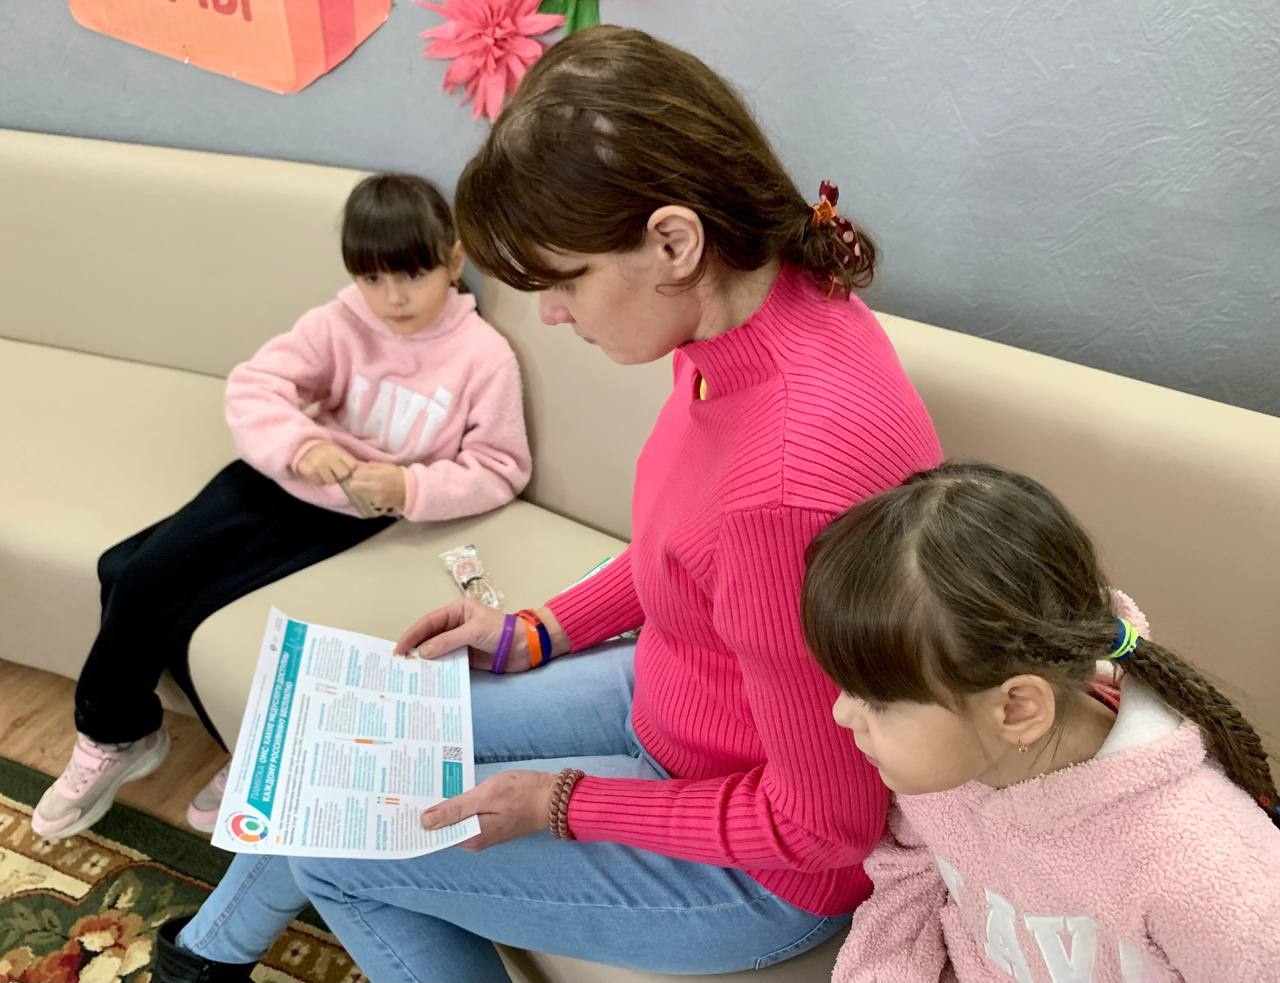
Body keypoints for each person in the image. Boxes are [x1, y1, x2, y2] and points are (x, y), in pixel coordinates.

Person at [150, 25, 941, 983]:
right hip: (676, 698)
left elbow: (822, 827)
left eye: (564, 280)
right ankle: (202, 960)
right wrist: (538, 630)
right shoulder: (755, 318)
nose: (553, 314)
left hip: (758, 867)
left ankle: (199, 963)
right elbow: (687, 547)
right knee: (335, 754)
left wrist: (562, 803)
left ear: (674, 241)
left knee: (338, 847)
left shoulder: (785, 481)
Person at [34, 173, 531, 842]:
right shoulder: (341, 321)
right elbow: (255, 385)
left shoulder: (484, 357)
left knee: (181, 604)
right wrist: (301, 444)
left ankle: (241, 756)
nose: (392, 298)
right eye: (372, 278)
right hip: (271, 476)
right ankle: (117, 735)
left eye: (412, 275)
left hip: (351, 513)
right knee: (128, 569)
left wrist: (410, 488)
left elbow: (501, 468)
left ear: (454, 257)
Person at [801, 460, 1280, 982]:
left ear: (1018, 709)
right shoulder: (948, 767)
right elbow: (910, 874)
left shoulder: (1212, 870)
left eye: (877, 700)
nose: (841, 713)